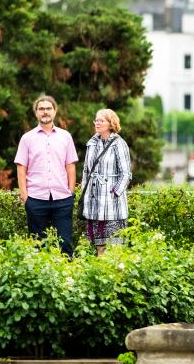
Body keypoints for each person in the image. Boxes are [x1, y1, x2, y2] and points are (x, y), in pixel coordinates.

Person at [15, 95, 79, 255]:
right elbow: (21, 169)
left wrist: (70, 193)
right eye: (41, 109)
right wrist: (25, 198)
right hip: (35, 199)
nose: (45, 112)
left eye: (49, 108)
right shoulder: (27, 138)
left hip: (62, 199)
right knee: (38, 246)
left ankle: (67, 272)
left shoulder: (66, 137)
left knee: (65, 244)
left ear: (55, 111)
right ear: (36, 112)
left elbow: (70, 166)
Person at [79, 108, 133, 255]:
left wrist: (115, 193)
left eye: (101, 120)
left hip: (112, 204)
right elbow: (86, 170)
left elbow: (126, 174)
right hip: (94, 202)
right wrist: (85, 191)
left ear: (111, 123)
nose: (97, 123)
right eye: (96, 120)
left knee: (115, 247)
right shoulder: (92, 143)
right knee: (99, 247)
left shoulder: (119, 143)